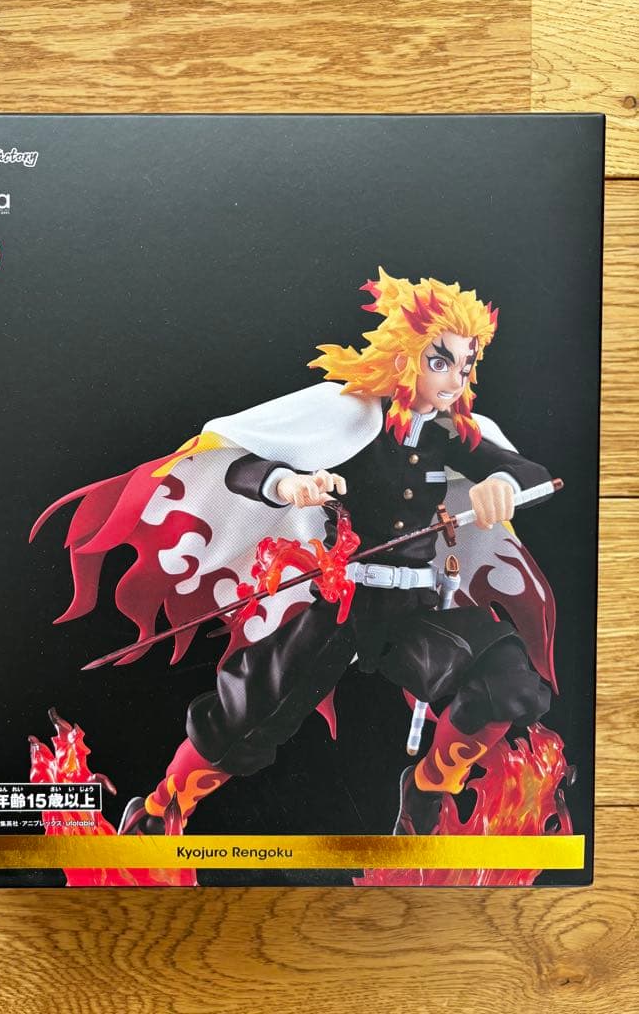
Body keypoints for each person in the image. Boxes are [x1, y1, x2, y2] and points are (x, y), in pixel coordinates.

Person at [32, 268, 556, 836]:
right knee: (246, 715)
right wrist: (289, 484)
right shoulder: (352, 417)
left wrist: (501, 484)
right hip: (343, 604)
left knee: (506, 680)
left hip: (415, 611)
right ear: (405, 356)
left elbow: (527, 472)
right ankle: (159, 811)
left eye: (466, 365)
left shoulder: (452, 435)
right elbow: (240, 463)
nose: (455, 379)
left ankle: (428, 791)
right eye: (440, 361)